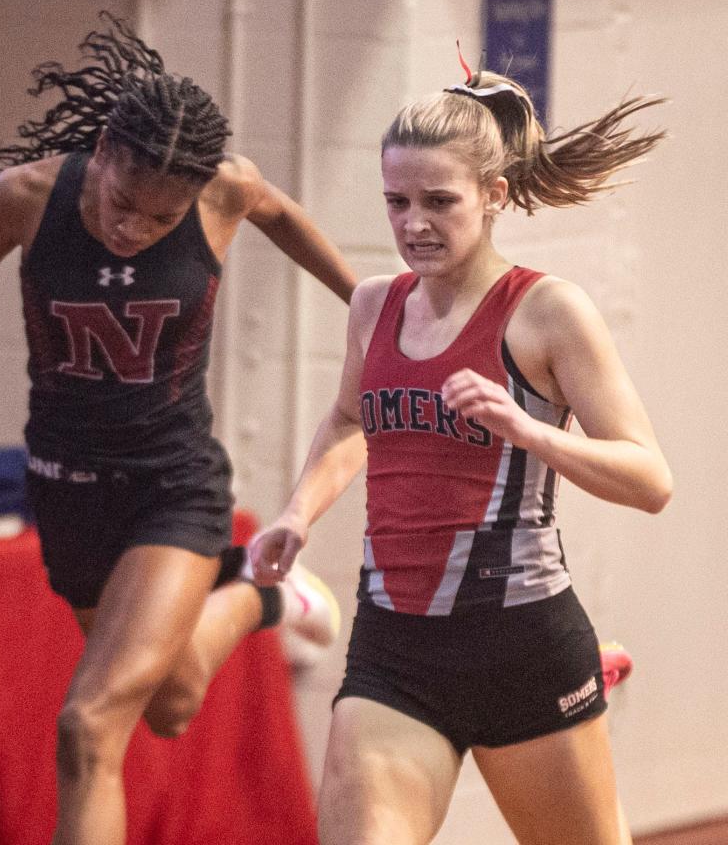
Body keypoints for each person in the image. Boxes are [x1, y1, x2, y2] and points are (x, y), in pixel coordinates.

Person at [0, 13, 354, 845]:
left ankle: (250, 589)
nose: (135, 229)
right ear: (106, 152)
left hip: (174, 486)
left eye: (160, 222)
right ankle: (268, 599)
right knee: (172, 705)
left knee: (87, 727)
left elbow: (282, 216)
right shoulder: (22, 200)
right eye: (123, 206)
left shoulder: (225, 190)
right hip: (69, 489)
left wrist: (374, 304)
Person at [248, 64, 672, 845]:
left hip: (524, 646)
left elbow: (651, 480)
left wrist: (531, 430)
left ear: (494, 195)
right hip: (395, 649)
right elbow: (350, 420)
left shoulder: (546, 311)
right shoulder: (375, 305)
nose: (415, 224)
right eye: (397, 202)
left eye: (439, 201)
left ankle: (592, 670)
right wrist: (298, 515)